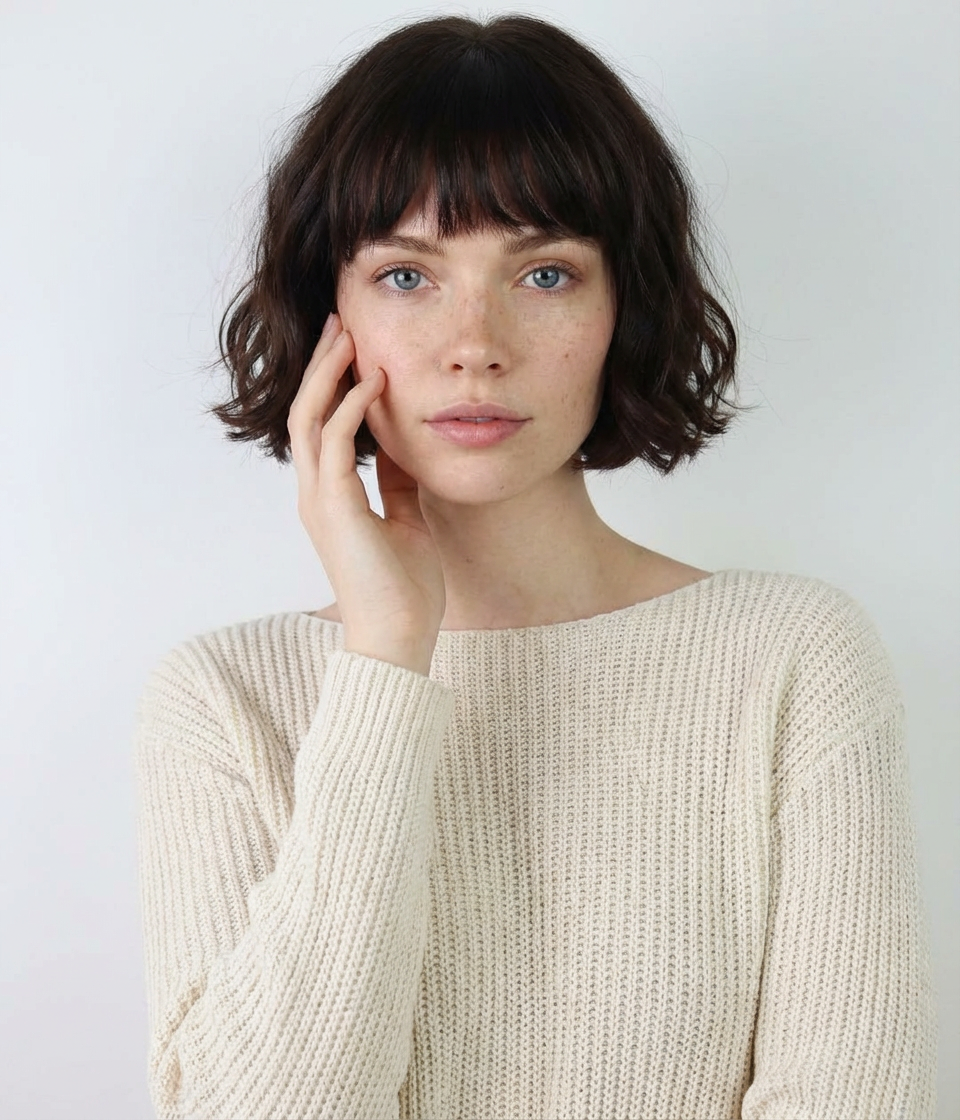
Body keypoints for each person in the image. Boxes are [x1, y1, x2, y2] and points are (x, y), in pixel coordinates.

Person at [134, 14, 938, 1120]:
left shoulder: (791, 659)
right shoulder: (224, 702)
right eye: (408, 277)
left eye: (545, 273)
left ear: (625, 307)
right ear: (330, 318)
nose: (476, 340)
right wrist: (383, 658)